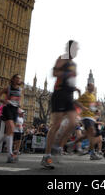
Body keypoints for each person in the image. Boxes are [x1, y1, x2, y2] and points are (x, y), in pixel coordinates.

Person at [41, 40, 81, 169]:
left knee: (74, 123)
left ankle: (57, 144)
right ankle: (46, 156)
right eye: (75, 48)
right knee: (56, 125)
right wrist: (66, 74)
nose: (77, 51)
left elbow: (70, 81)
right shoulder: (62, 58)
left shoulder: (74, 64)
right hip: (59, 93)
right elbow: (54, 73)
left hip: (69, 95)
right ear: (69, 48)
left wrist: (75, 88)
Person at [0, 74, 23, 163]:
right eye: (17, 78)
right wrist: (4, 101)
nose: (18, 79)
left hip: (15, 110)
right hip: (7, 108)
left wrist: (19, 107)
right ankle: (10, 154)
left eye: (19, 78)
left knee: (10, 132)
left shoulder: (20, 90)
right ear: (13, 79)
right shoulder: (7, 88)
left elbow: (19, 100)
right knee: (11, 129)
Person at [66, 83, 102, 160]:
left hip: (91, 117)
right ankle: (92, 153)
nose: (93, 87)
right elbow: (76, 102)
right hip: (86, 117)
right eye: (91, 86)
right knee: (92, 133)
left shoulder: (93, 96)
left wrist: (97, 110)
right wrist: (82, 107)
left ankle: (72, 143)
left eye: (93, 86)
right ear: (88, 87)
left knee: (88, 135)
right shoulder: (84, 95)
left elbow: (92, 107)